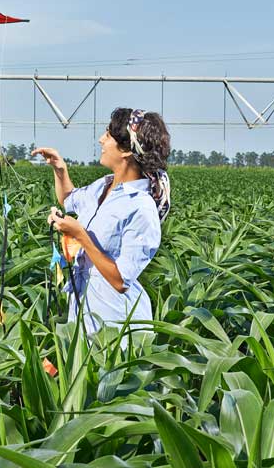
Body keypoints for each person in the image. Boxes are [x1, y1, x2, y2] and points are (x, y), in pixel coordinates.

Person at [31, 108, 171, 336]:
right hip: (84, 307)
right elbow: (69, 199)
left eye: (108, 135)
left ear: (126, 150)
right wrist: (60, 170)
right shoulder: (103, 185)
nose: (101, 139)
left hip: (115, 319)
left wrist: (80, 236)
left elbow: (120, 281)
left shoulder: (141, 207)